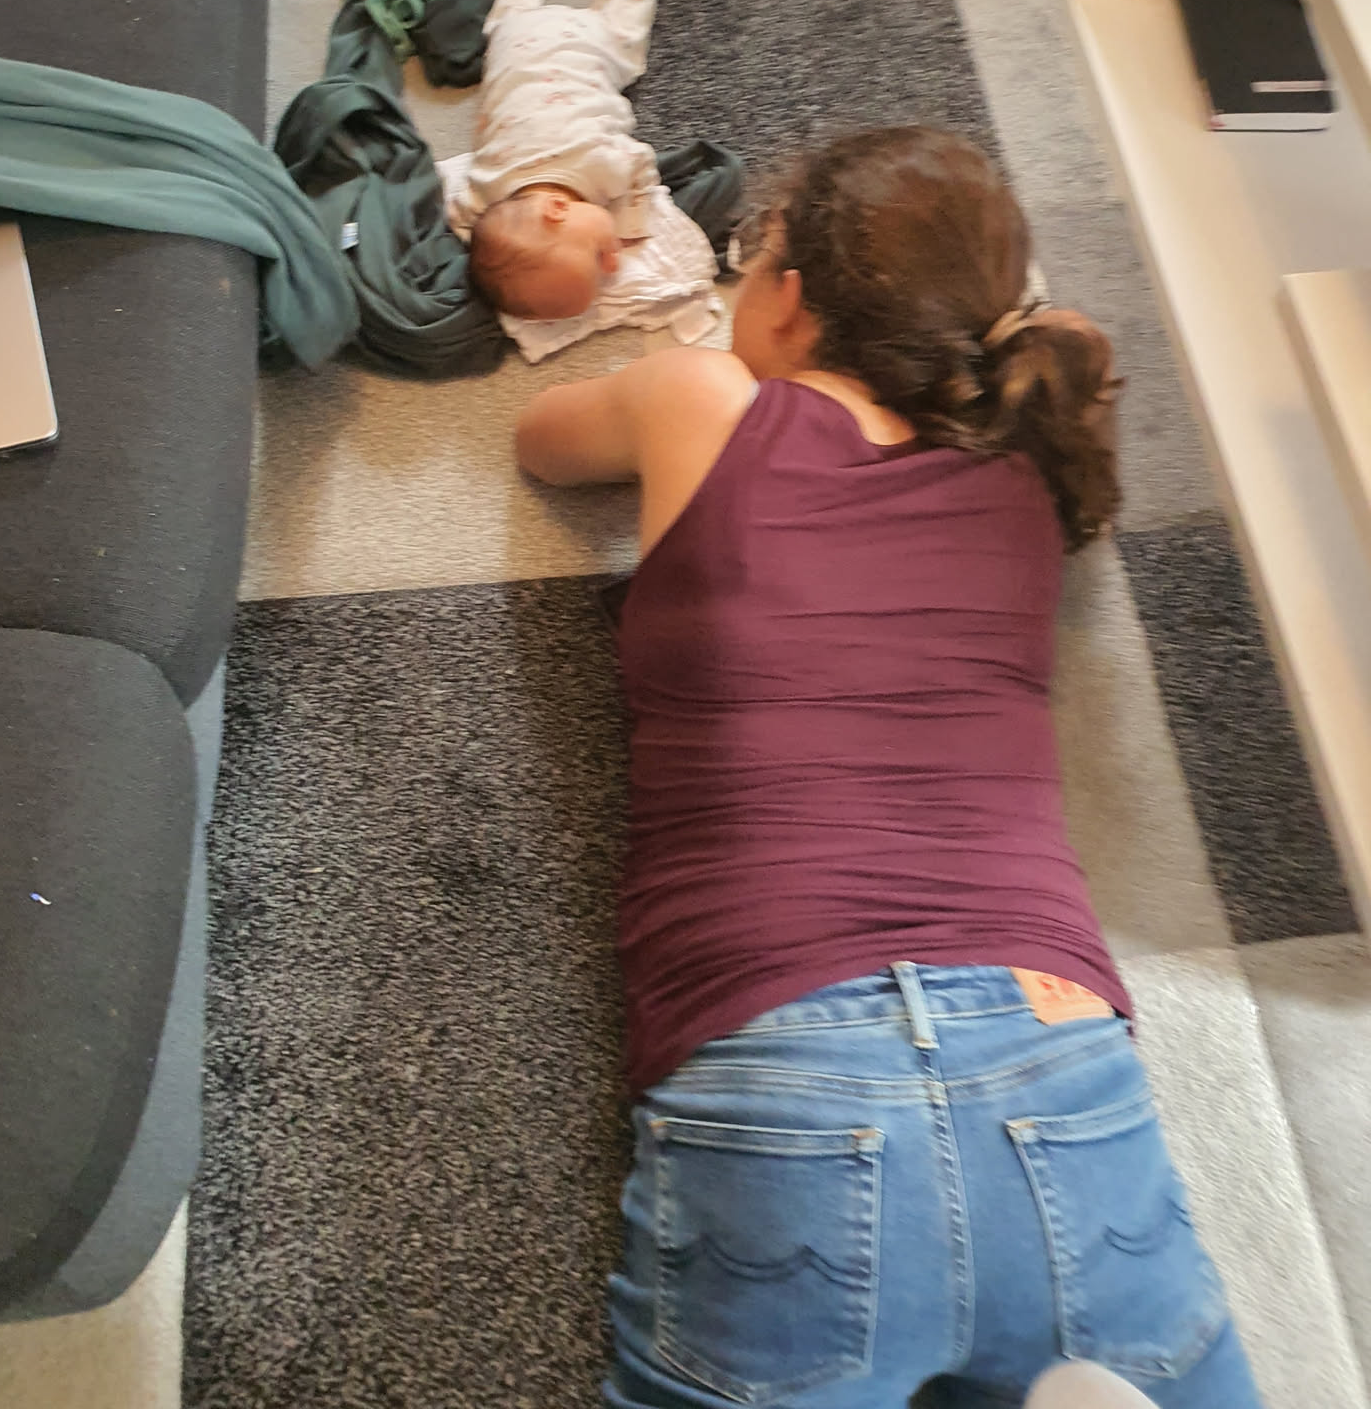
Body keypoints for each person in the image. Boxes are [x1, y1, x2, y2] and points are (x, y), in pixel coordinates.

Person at [514, 125, 1262, 1409]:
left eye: (754, 259)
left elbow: (540, 440)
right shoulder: (1037, 447)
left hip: (784, 1057)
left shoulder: (703, 399)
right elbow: (1072, 336)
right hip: (1059, 1055)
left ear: (790, 295)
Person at [449, 0, 663, 320]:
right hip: (514, 44)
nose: (612, 264)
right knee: (508, 17)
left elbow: (641, 162)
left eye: (598, 256)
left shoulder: (602, 165)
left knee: (626, 48)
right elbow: (459, 214)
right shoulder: (485, 191)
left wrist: (632, 219)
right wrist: (478, 241)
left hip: (585, 43)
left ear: (558, 208)